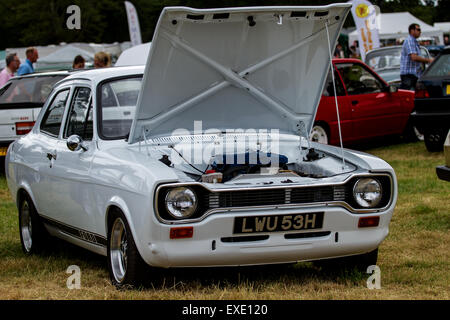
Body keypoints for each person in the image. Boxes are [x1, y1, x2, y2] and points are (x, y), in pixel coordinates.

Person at [400, 24, 433, 90]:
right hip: (409, 75)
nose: (420, 32)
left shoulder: (414, 42)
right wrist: (429, 60)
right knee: (408, 96)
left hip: (414, 75)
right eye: (418, 30)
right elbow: (414, 57)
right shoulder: (410, 41)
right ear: (412, 31)